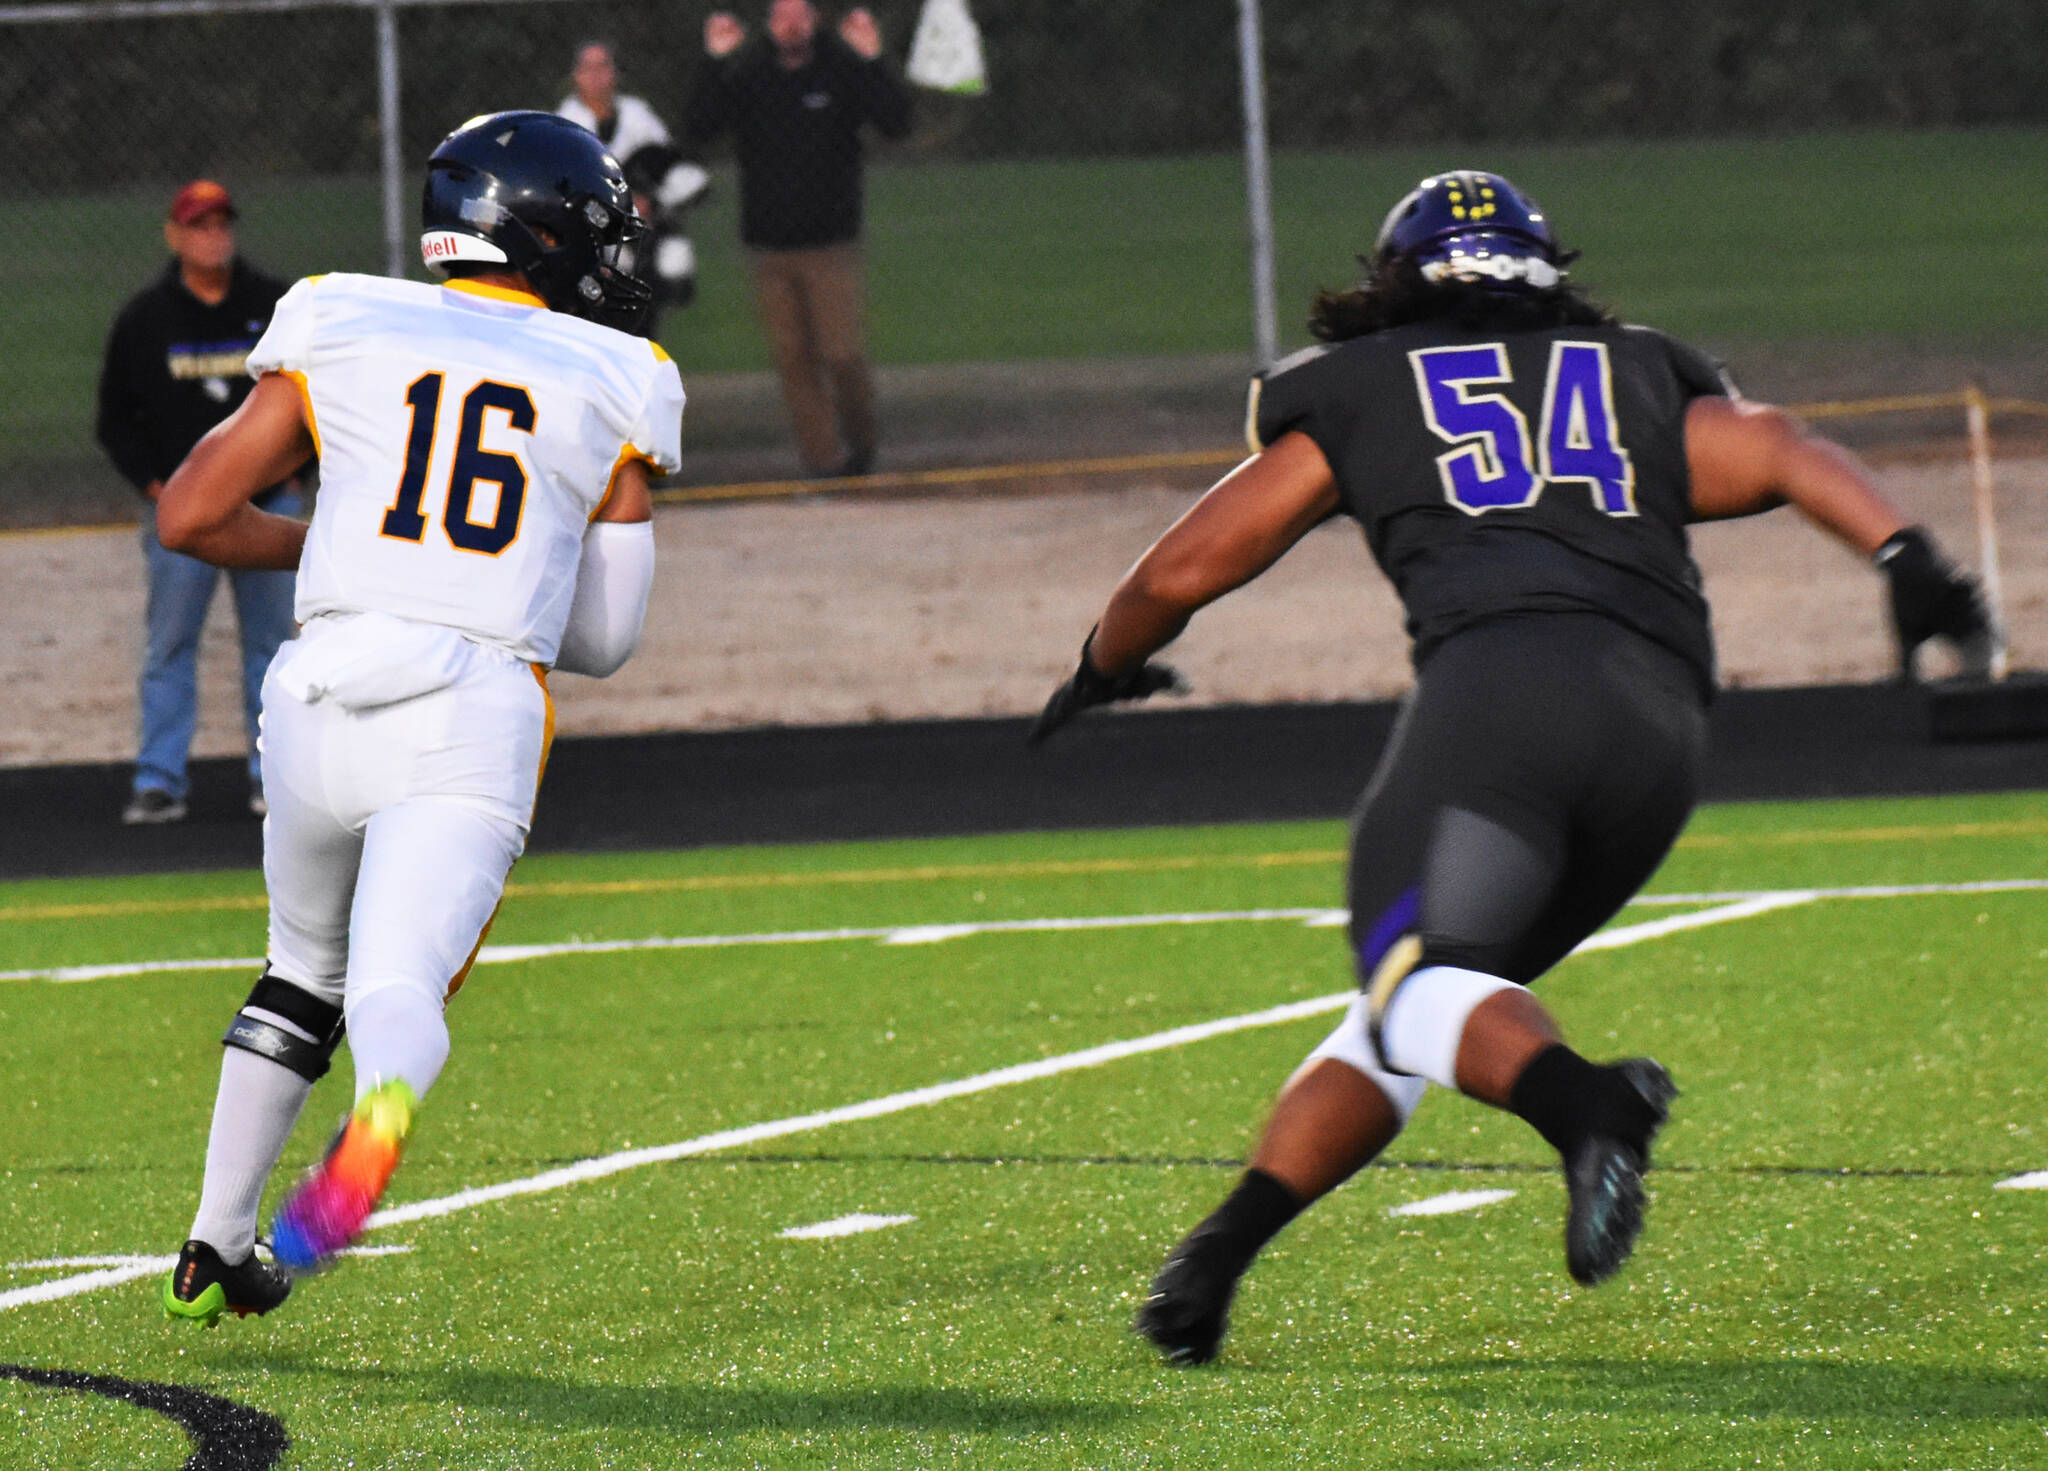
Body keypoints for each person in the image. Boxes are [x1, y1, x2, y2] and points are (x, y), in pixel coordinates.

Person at [1030, 170, 1995, 1365]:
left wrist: (1104, 664)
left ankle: (1590, 1106)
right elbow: (1769, 447)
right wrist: (1903, 554)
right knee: (1426, 1003)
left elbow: (1175, 573)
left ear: (1394, 281)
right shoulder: (1627, 370)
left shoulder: (1364, 384)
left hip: (1505, 699)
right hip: (1658, 734)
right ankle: (1216, 1257)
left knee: (1415, 979)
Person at [157, 111, 682, 1327]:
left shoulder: (342, 317)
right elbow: (603, 640)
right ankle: (379, 1108)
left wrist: (349, 557)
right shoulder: (617, 376)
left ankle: (214, 1241)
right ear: (542, 234)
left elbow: (188, 515)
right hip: (465, 706)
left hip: (317, 687)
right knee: (397, 983)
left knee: (300, 970)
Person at [96, 180, 299, 824]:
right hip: (181, 516)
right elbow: (115, 418)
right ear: (174, 234)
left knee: (275, 648)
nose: (213, 236)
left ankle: (274, 776)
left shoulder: (275, 306)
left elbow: (314, 396)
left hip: (266, 506)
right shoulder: (145, 319)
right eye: (199, 225)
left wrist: (299, 475)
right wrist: (156, 487)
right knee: (170, 647)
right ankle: (159, 779)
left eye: (221, 223)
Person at [685, 0, 911, 477]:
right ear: (769, 24)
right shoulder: (751, 77)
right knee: (793, 360)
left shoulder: (840, 72)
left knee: (842, 354)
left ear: (815, 21)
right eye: (781, 17)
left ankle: (862, 442)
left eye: (799, 16)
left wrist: (873, 58)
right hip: (769, 246)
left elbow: (896, 123)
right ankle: (823, 459)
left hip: (830, 244)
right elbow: (699, 127)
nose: (790, 26)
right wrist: (713, 61)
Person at [557, 39, 711, 334]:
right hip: (592, 230)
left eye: (603, 66)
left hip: (644, 227)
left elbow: (665, 163)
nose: (596, 75)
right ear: (575, 75)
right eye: (588, 67)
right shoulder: (564, 122)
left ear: (615, 73)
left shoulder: (636, 113)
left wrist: (647, 198)